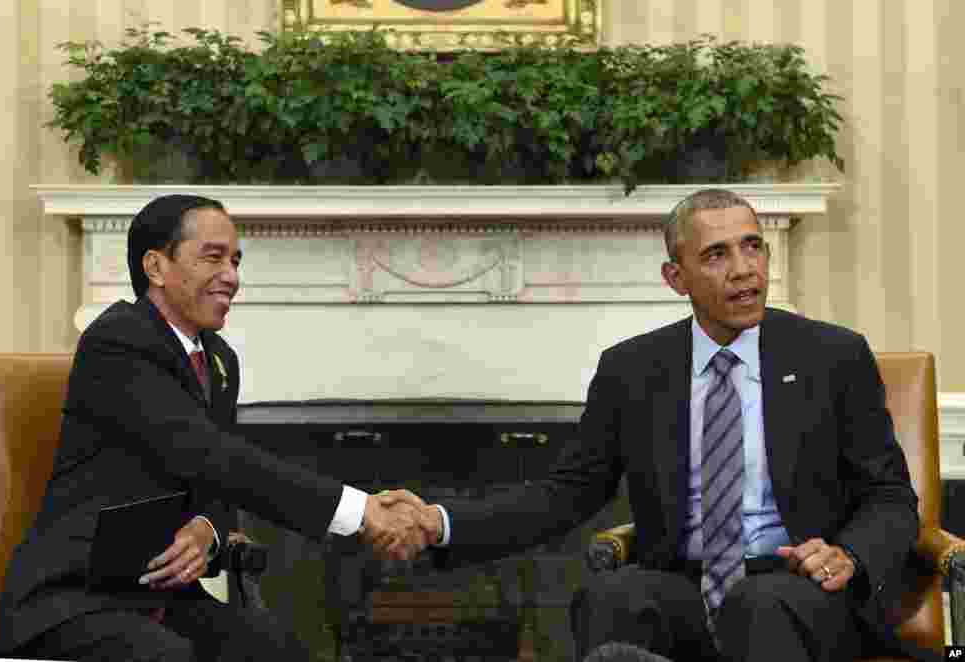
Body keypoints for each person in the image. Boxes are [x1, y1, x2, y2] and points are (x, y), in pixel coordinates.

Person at [394, 189, 935, 662]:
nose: (744, 269)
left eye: (752, 246)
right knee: (615, 597)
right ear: (676, 278)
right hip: (686, 589)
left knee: (759, 603)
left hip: (801, 595)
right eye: (717, 255)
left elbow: (889, 495)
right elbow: (564, 496)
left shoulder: (832, 356)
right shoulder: (632, 370)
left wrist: (849, 555)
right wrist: (442, 523)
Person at [0, 194, 432, 661]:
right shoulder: (118, 341)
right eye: (213, 257)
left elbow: (219, 489)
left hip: (156, 597)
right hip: (72, 600)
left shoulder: (218, 360)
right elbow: (210, 456)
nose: (232, 276)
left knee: (277, 652)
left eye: (236, 260)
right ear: (156, 266)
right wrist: (360, 511)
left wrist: (207, 528)